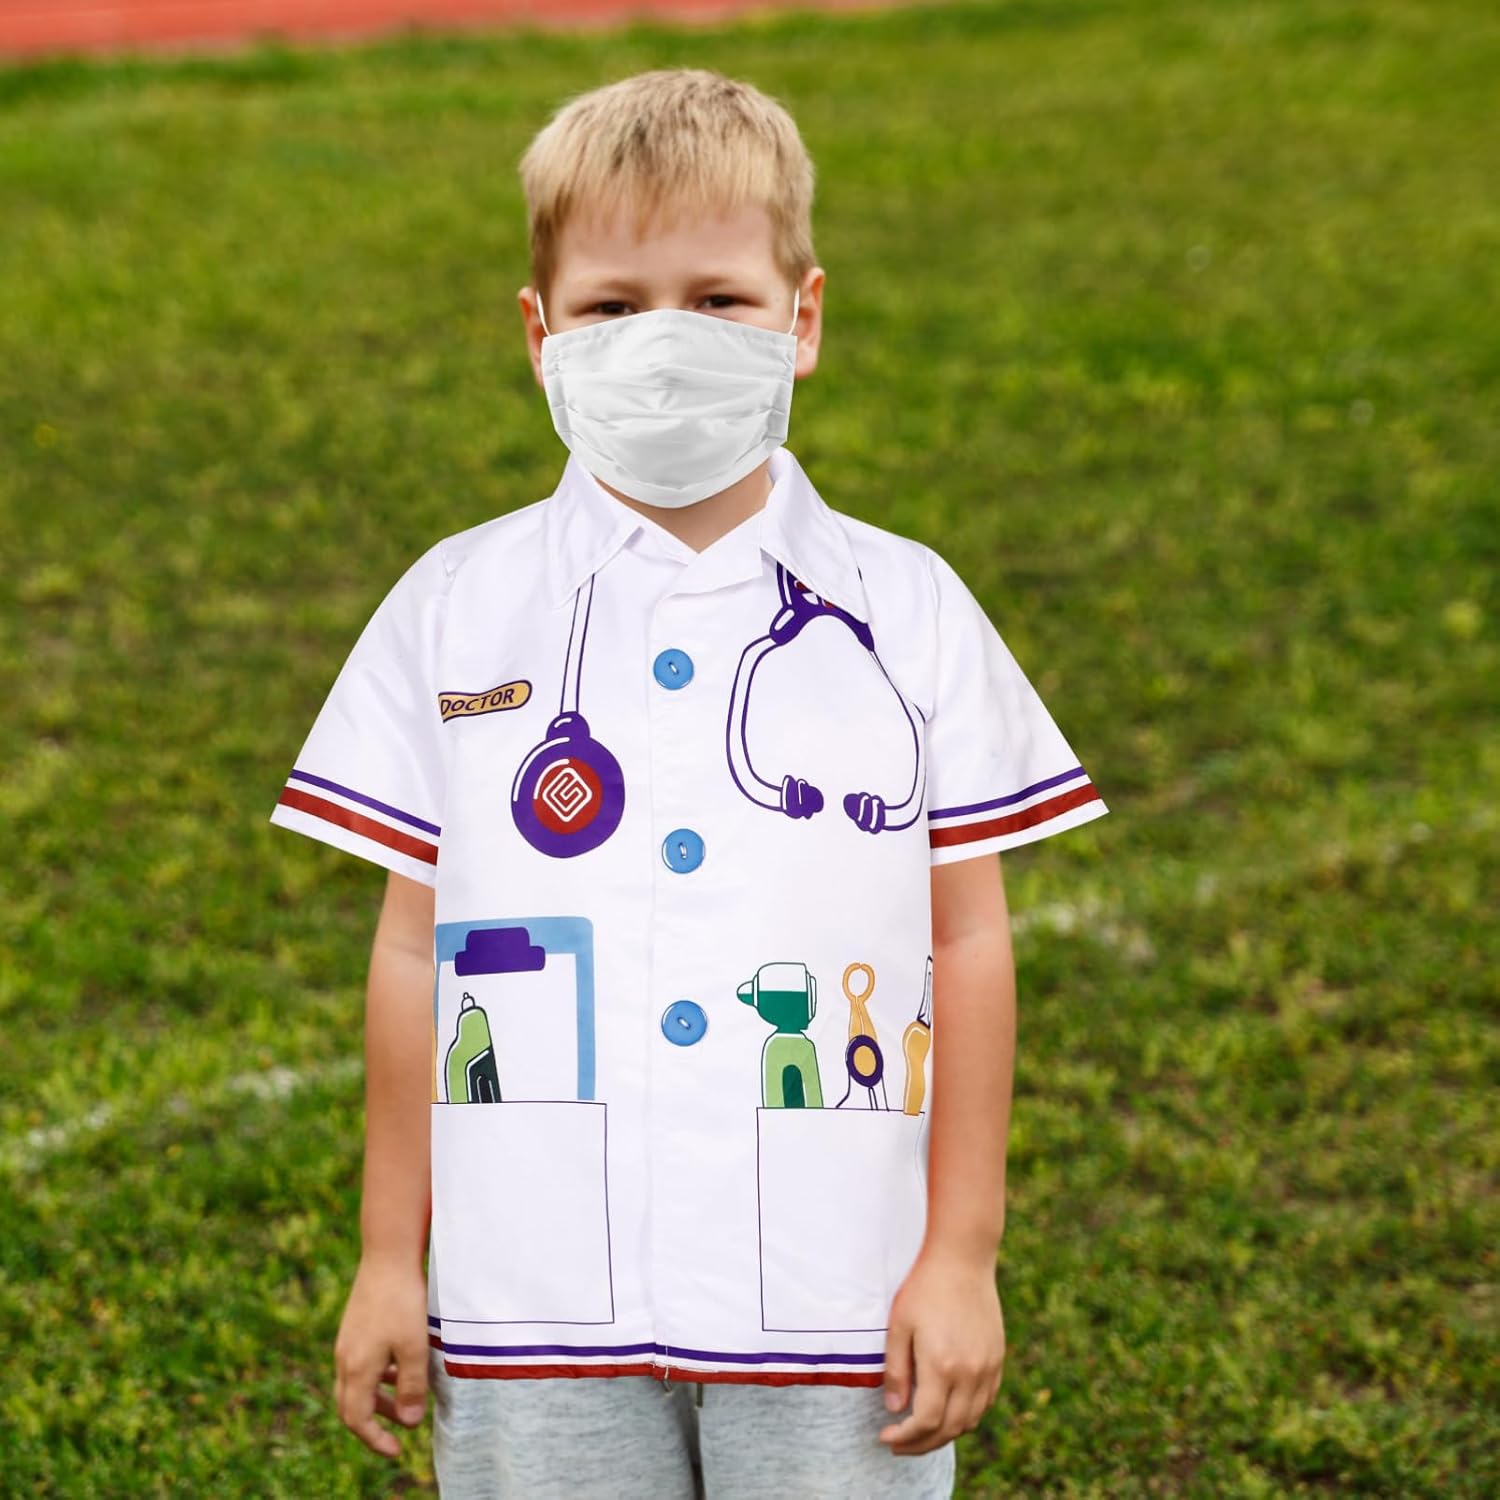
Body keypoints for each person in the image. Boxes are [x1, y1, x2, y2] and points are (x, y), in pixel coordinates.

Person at [268, 66, 1109, 1499]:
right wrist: (388, 1259)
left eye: (718, 298)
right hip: (532, 1306)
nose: (662, 344)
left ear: (804, 319)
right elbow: (413, 953)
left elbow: (967, 937)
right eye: (611, 306)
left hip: (836, 1303)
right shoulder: (455, 606)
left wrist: (962, 1256)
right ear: (540, 335)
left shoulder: (908, 609)